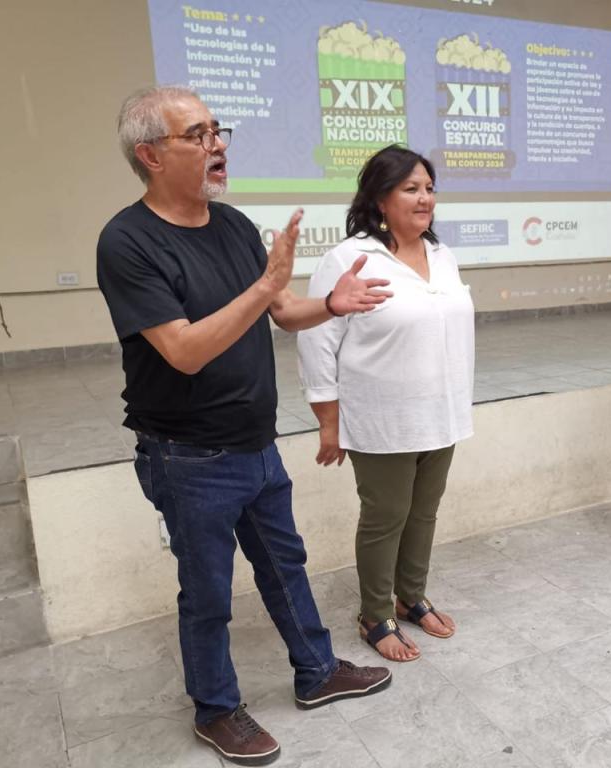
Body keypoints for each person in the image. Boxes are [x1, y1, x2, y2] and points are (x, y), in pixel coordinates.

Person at [96, 86, 394, 767]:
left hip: (256, 443)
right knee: (207, 593)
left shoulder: (232, 225)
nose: (217, 144)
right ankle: (216, 709)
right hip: (188, 456)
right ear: (150, 155)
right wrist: (264, 288)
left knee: (285, 566)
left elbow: (282, 312)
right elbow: (184, 350)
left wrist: (333, 303)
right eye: (197, 134)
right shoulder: (127, 241)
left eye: (216, 130)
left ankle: (317, 672)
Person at [298, 144, 474, 662]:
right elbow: (316, 340)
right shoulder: (348, 258)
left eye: (429, 188)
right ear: (379, 199)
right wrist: (328, 422)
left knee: (423, 513)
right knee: (386, 516)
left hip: (442, 413)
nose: (425, 199)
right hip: (382, 417)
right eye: (410, 189)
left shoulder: (442, 255)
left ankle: (411, 596)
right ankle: (375, 614)